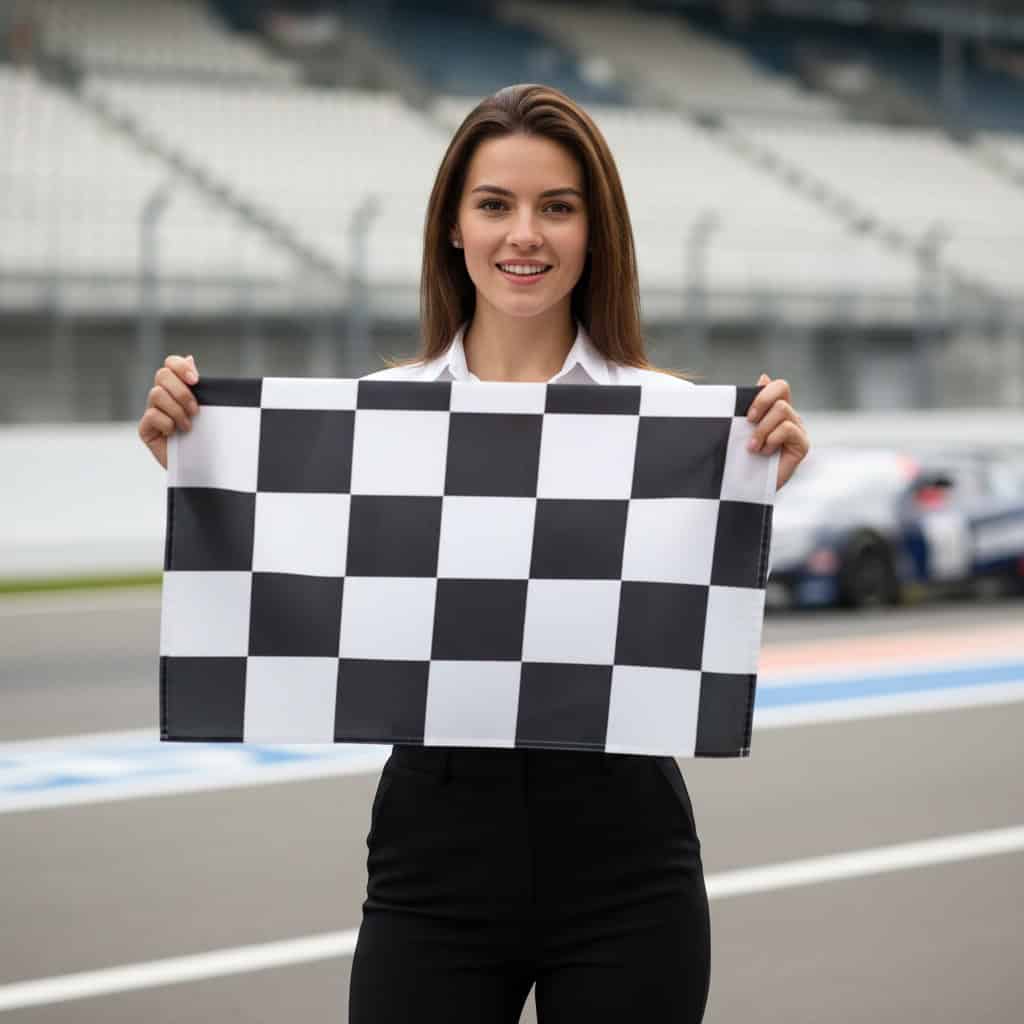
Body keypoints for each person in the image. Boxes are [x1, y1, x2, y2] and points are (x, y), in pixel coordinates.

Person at [138, 83, 810, 1023]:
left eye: (558, 208)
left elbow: (681, 612)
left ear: (595, 231)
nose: (524, 234)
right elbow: (304, 600)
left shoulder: (678, 416)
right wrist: (198, 457)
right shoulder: (377, 412)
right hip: (436, 847)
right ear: (453, 227)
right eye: (494, 204)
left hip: (627, 843)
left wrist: (757, 477)